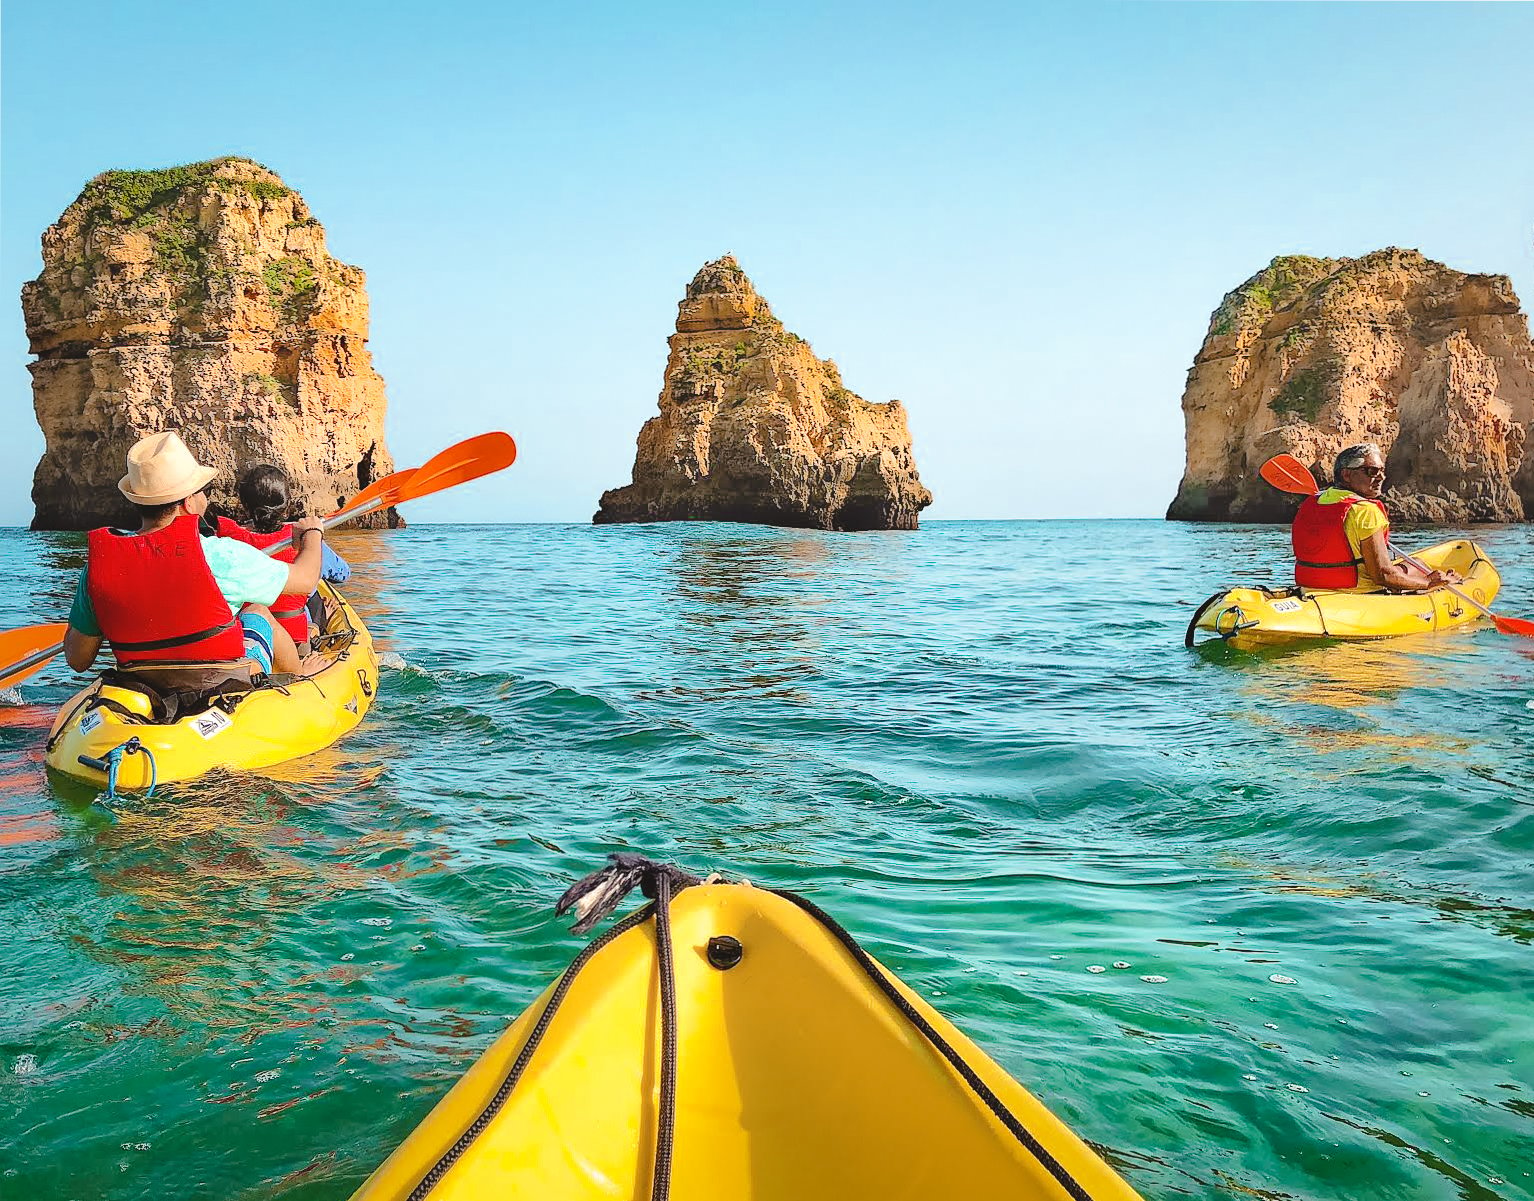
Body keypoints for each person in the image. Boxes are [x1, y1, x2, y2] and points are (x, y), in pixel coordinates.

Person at [63, 432, 326, 680]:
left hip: (140, 679)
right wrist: (312, 533)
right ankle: (299, 675)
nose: (205, 499)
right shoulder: (222, 555)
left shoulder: (99, 567)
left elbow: (78, 659)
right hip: (217, 679)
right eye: (202, 491)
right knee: (257, 610)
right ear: (189, 502)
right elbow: (305, 580)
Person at [215, 464, 351, 654]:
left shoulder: (226, 539)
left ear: (244, 506)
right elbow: (343, 574)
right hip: (294, 639)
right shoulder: (307, 539)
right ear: (287, 506)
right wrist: (313, 535)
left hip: (247, 636)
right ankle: (318, 624)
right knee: (314, 589)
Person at [1292, 442, 1461, 593]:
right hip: (1359, 592)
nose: (1381, 477)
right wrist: (1428, 583)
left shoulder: (1314, 502)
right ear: (1346, 475)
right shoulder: (1365, 511)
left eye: (1382, 470)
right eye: (1372, 471)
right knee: (1421, 572)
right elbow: (1382, 575)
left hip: (1312, 587)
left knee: (1416, 563)